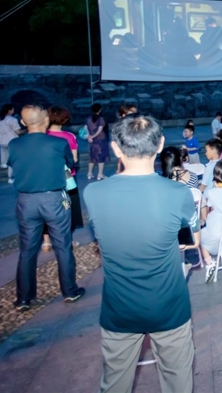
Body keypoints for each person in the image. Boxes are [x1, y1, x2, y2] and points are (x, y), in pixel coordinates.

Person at [84, 114, 197, 392]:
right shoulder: (177, 192)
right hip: (169, 304)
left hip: (119, 307)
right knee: (178, 382)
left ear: (115, 148)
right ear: (160, 144)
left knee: (114, 383)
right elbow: (187, 238)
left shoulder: (93, 193)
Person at [8, 105, 84, 312]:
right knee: (63, 247)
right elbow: (70, 164)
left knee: (27, 251)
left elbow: (14, 164)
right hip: (53, 199)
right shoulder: (58, 143)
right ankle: (70, 291)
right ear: (47, 120)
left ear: (22, 122)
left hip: (25, 201)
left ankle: (24, 298)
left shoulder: (14, 144)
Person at [47, 106, 83, 248]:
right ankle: (67, 239)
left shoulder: (43, 135)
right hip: (67, 177)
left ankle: (46, 241)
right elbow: (74, 159)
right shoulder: (69, 136)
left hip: (47, 177)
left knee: (47, 207)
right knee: (67, 207)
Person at [0, 104, 23, 183]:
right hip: (11, 141)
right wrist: (26, 130)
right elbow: (17, 131)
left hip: (1, 140)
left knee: (3, 152)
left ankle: (3, 163)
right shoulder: (12, 120)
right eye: (12, 109)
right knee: (12, 159)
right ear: (9, 110)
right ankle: (11, 177)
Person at [85, 103, 109, 180]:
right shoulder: (101, 118)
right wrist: (93, 136)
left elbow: (85, 128)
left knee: (92, 157)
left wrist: (89, 136)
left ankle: (89, 173)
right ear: (100, 109)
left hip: (92, 141)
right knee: (101, 156)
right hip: (101, 140)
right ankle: (100, 174)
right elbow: (100, 130)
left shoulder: (88, 118)